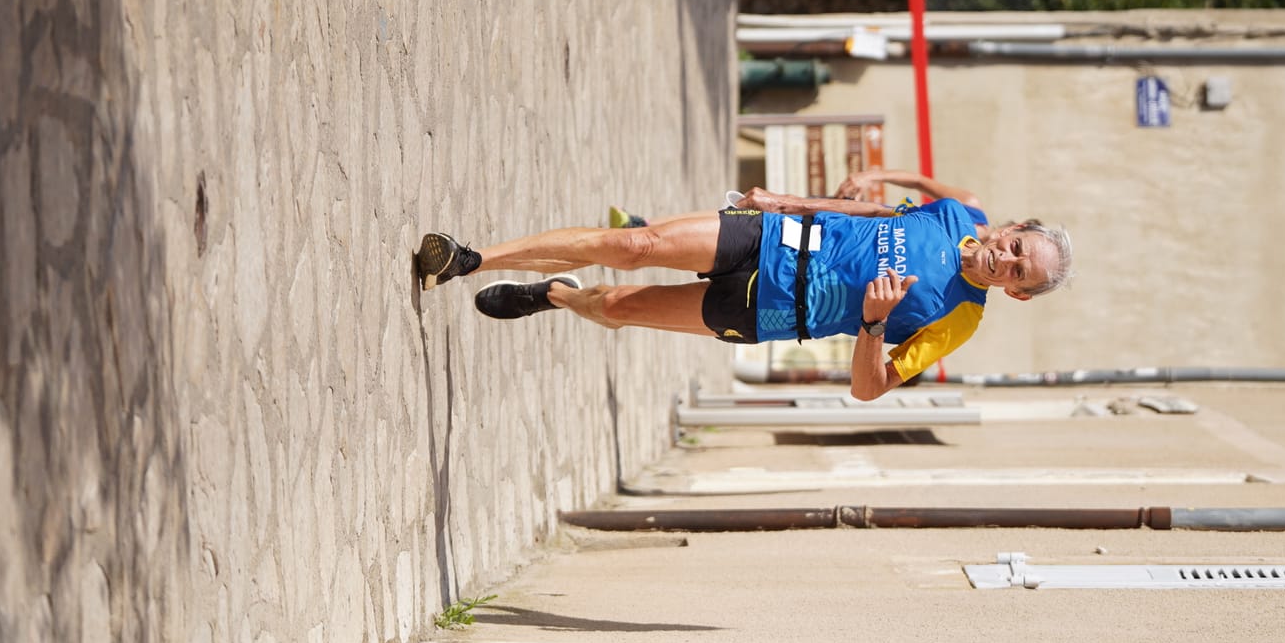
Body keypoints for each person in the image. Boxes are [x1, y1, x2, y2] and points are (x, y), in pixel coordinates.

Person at [416, 176, 1070, 401]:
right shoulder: (959, 215)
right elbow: (872, 215)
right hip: (775, 237)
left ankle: (554, 295)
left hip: (774, 310)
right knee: (633, 245)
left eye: (1019, 272)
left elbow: (870, 387)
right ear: (1010, 228)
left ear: (1015, 293)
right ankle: (472, 259)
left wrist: (872, 325)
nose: (1005, 260)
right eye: (1016, 248)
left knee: (615, 306)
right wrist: (784, 198)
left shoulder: (959, 319)